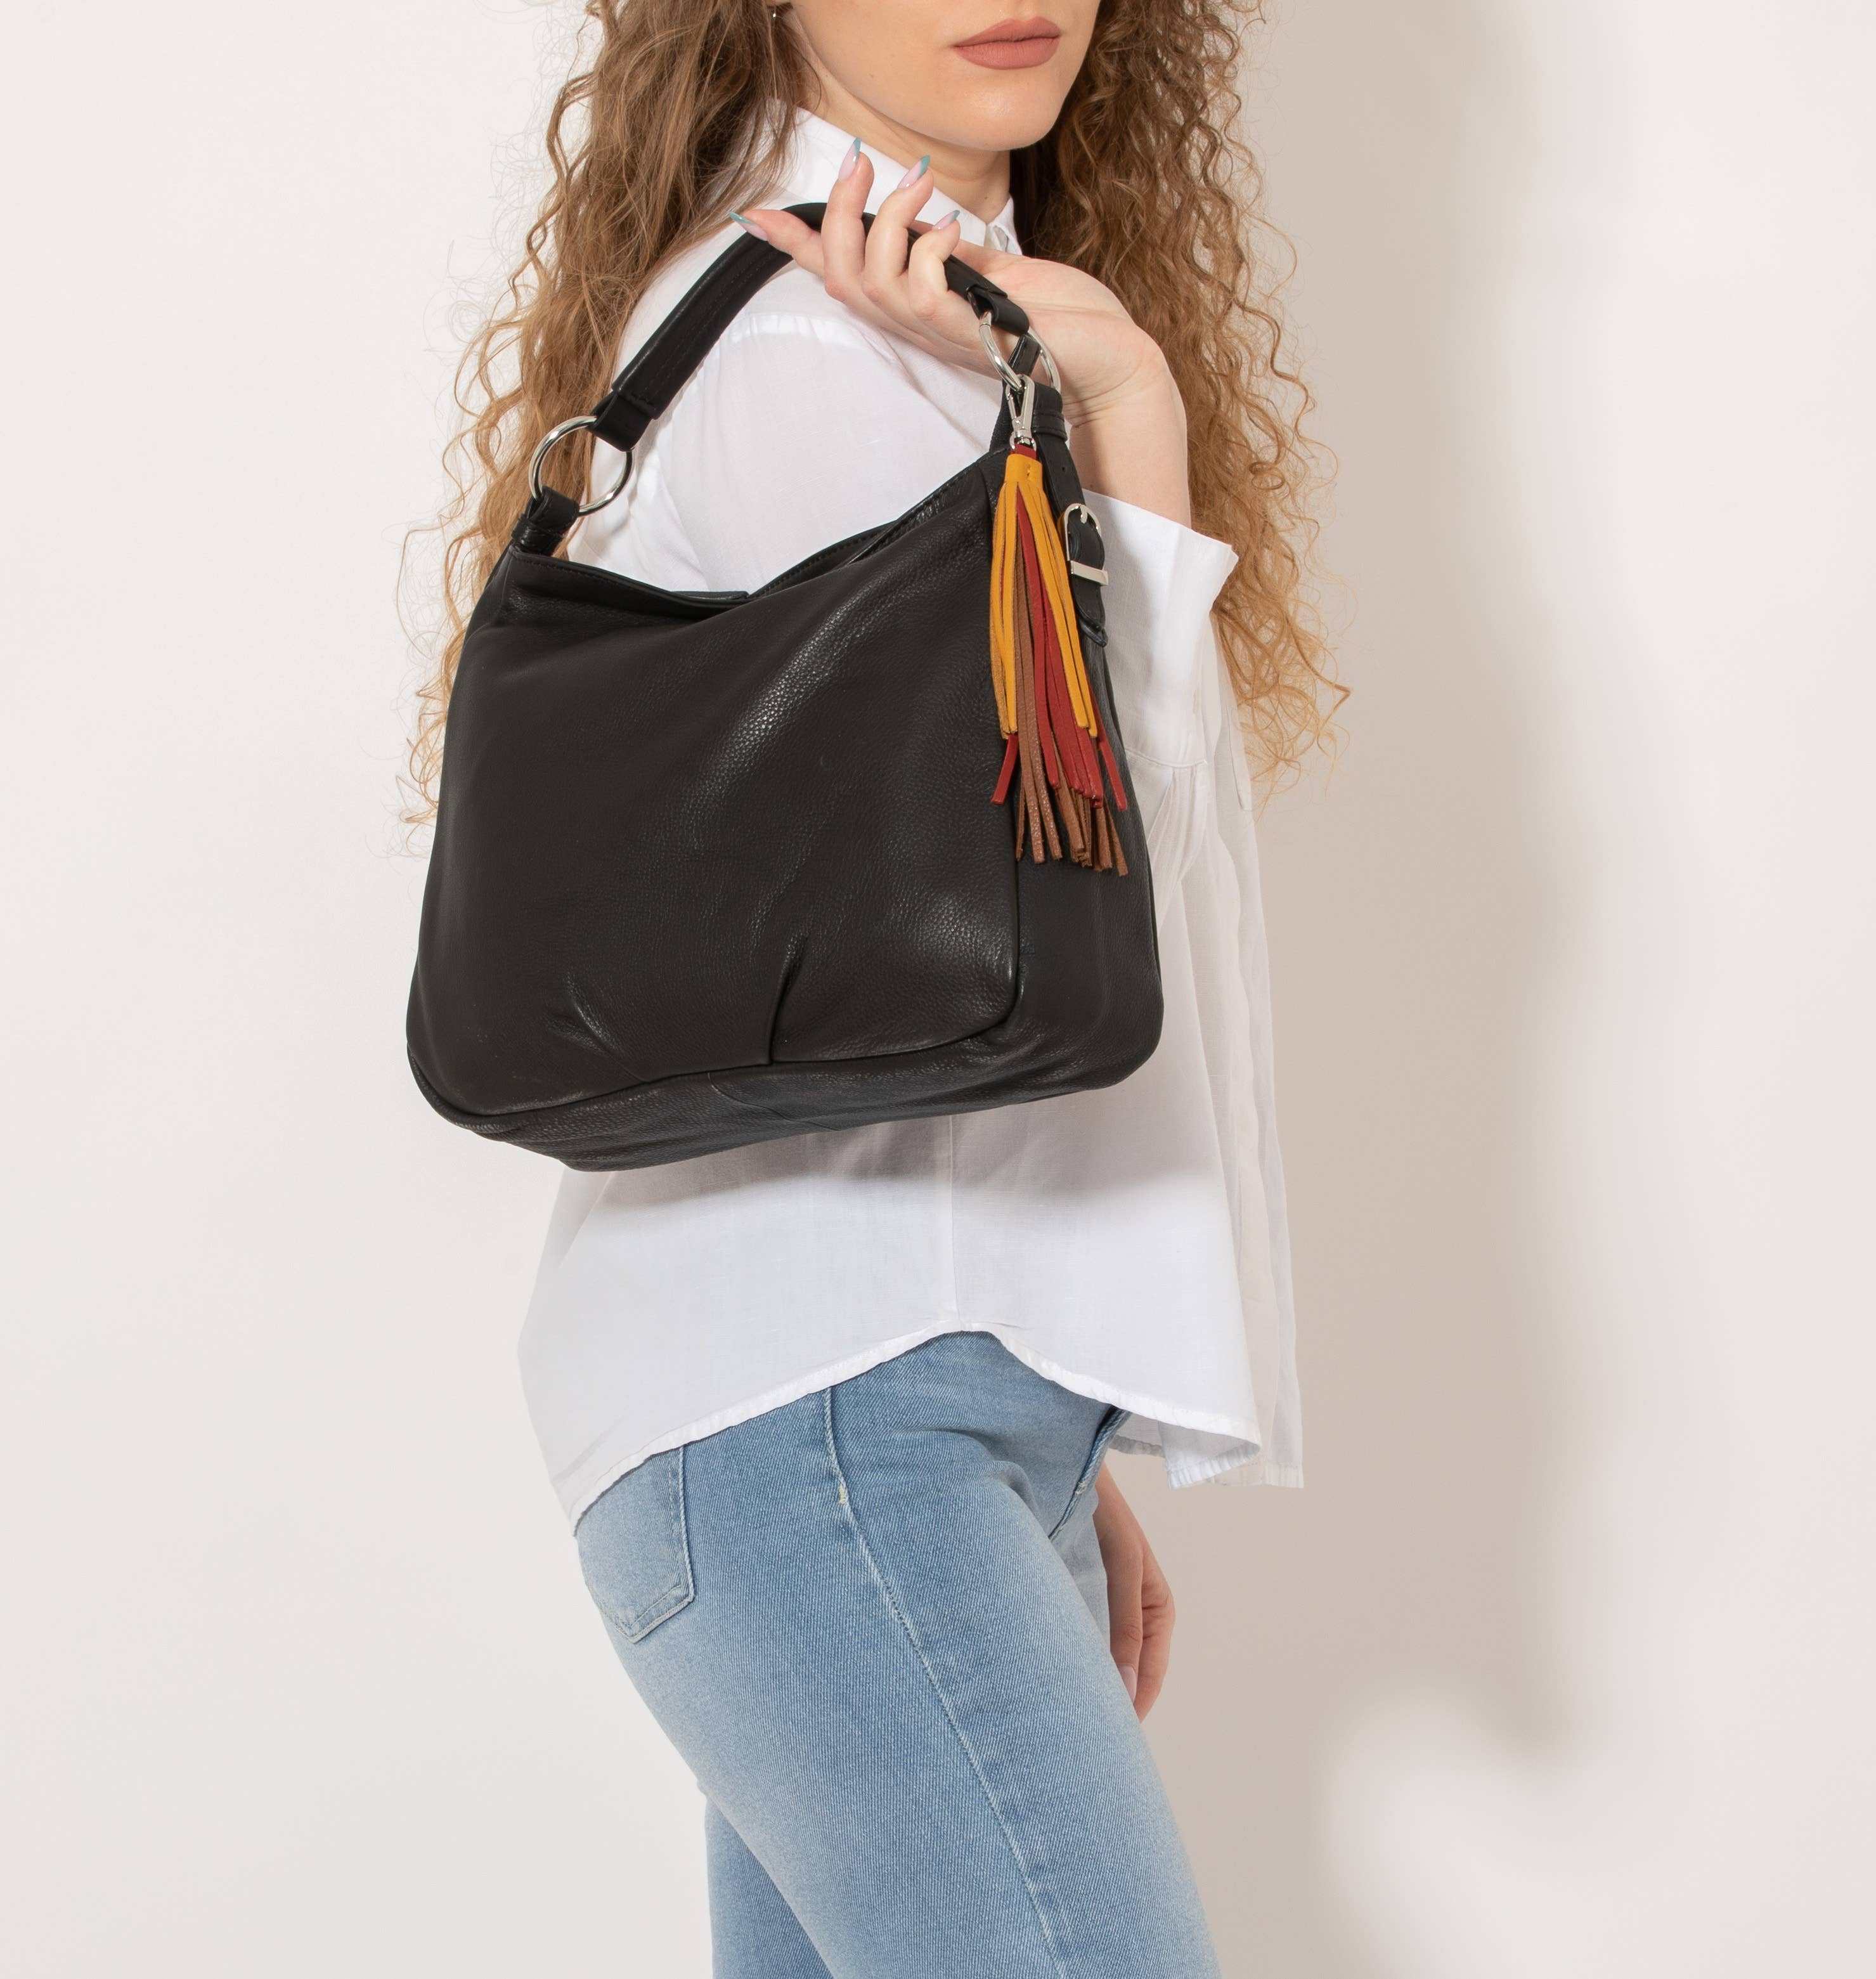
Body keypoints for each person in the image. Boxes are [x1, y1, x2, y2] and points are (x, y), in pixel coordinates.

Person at [413, 4, 1337, 1973]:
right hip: (830, 1423)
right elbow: (1087, 852)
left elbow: (923, 980)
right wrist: (1132, 399)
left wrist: (1035, 1407)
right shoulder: (816, 347)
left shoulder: (927, 322)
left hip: (863, 1411)